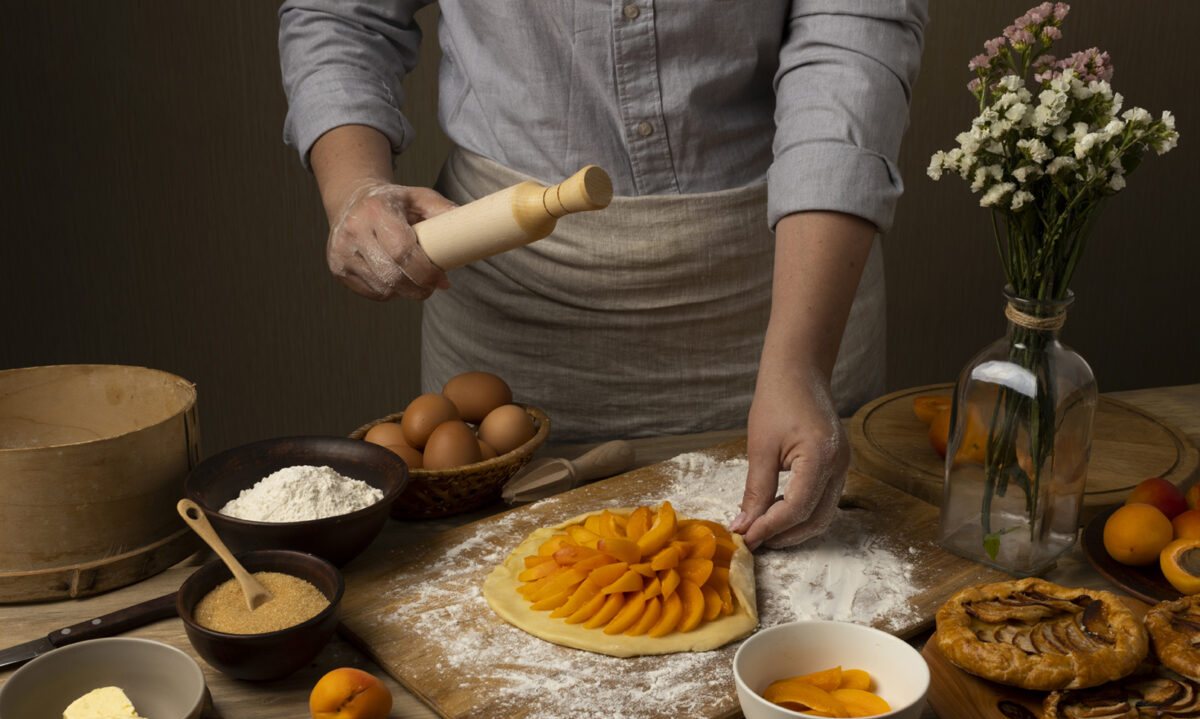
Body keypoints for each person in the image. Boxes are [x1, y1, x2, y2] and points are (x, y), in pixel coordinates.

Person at [278, 1, 928, 550]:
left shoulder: (793, 343)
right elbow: (341, 14)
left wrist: (798, 364)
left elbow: (852, 34)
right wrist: (355, 188)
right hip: (512, 310)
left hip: (783, 300)